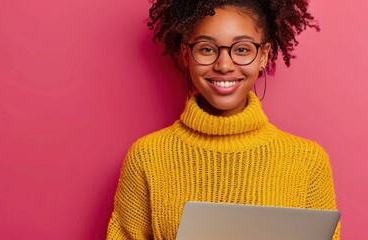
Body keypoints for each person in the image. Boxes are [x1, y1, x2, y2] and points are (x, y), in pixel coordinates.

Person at [107, 0, 340, 239]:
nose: (224, 65)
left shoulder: (309, 162)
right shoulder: (147, 156)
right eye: (207, 49)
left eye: (242, 49)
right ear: (187, 55)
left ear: (263, 56)